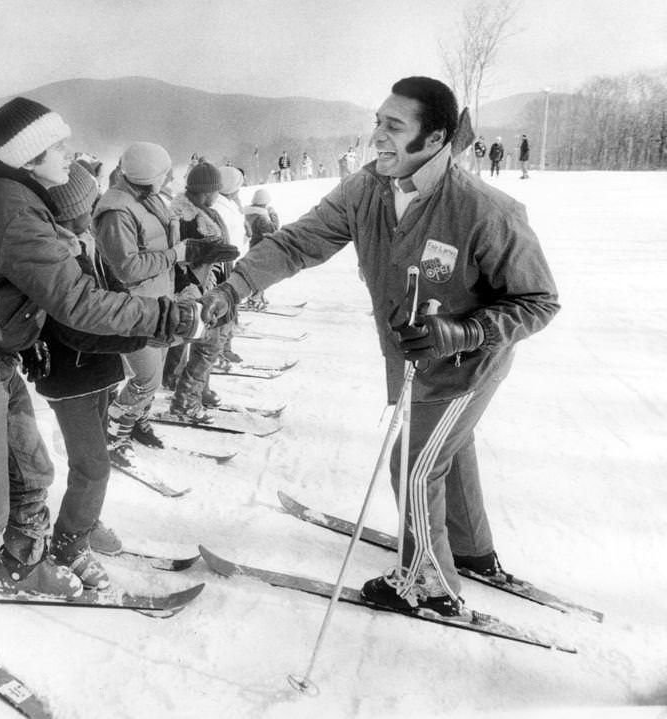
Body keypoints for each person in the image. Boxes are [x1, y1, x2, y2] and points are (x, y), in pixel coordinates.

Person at [199, 76, 559, 617]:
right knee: (445, 450)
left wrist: (464, 332)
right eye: (377, 122)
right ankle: (469, 549)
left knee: (414, 465)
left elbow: (538, 301)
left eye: (394, 126)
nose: (377, 138)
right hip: (409, 358)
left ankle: (428, 585)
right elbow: (299, 241)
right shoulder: (365, 190)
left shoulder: (485, 210)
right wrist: (236, 285)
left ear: (435, 138)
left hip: (466, 364)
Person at [0, 97, 205, 667]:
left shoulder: (19, 196)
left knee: (33, 469)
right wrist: (163, 316)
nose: (70, 154)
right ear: (28, 157)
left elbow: (70, 300)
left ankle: (23, 563)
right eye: (59, 146)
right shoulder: (12, 210)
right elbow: (76, 303)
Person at [33, 160, 147, 589]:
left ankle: (86, 518)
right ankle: (68, 542)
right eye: (90, 201)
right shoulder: (55, 255)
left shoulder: (84, 241)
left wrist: (137, 311)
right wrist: (141, 334)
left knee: (95, 459)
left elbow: (112, 295)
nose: (98, 205)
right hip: (71, 377)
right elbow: (79, 327)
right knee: (93, 467)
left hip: (99, 371)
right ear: (71, 209)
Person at [93, 143, 237, 464]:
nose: (171, 177)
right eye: (165, 171)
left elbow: (168, 245)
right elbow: (126, 267)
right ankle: (112, 433)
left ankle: (137, 424)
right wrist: (178, 254)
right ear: (151, 174)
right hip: (131, 309)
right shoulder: (117, 211)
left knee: (155, 372)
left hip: (160, 303)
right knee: (147, 379)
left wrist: (198, 253)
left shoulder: (152, 199)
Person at [168, 162, 238, 420]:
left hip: (214, 289)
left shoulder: (200, 210)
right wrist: (208, 258)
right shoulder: (187, 219)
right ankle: (185, 402)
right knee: (207, 348)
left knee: (208, 347)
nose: (218, 194)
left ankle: (198, 389)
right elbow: (181, 261)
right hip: (200, 294)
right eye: (216, 190)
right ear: (207, 191)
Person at [212, 166, 249, 366]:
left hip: (234, 263)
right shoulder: (219, 206)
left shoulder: (230, 203)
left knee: (232, 310)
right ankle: (219, 350)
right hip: (224, 266)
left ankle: (225, 348)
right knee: (224, 312)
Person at [241, 188, 279, 311]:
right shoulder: (261, 216)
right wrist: (273, 214)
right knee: (261, 273)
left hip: (252, 246)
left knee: (256, 272)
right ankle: (255, 298)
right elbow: (273, 229)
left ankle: (259, 296)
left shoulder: (248, 213)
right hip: (261, 247)